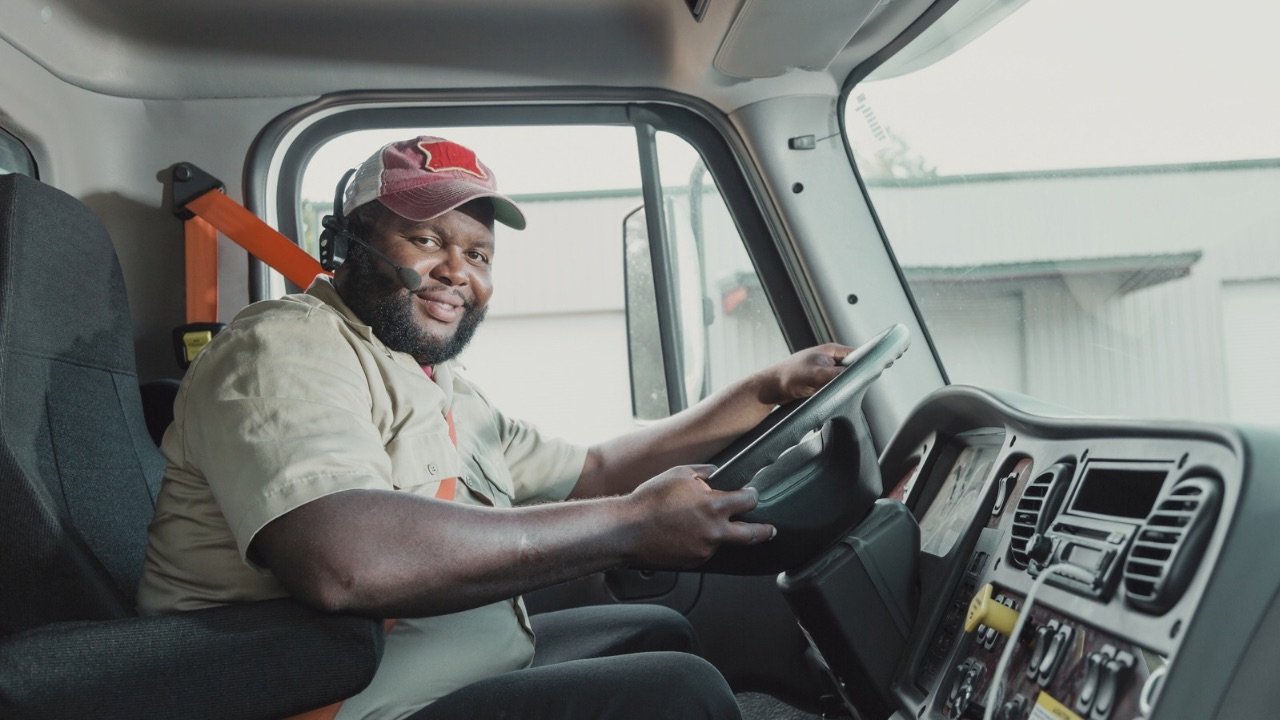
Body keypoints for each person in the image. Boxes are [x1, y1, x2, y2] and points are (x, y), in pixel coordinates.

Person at [137, 136, 852, 720]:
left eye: (478, 254)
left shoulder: (435, 382)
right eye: (426, 238)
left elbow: (595, 472)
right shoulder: (285, 348)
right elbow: (346, 562)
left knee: (659, 632)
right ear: (347, 245)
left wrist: (765, 390)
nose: (458, 272)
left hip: (441, 674)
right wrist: (633, 525)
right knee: (678, 692)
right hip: (339, 703)